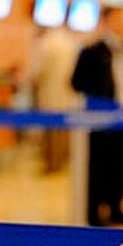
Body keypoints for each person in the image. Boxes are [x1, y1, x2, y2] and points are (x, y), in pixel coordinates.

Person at [72, 7, 123, 226]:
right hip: (101, 118)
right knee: (98, 165)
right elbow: (77, 82)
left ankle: (116, 206)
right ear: (107, 20)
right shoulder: (91, 50)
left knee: (120, 164)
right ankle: (94, 210)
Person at [30, 27, 79, 173]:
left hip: (50, 92)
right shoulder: (71, 43)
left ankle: (52, 163)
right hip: (68, 93)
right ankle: (62, 159)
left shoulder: (46, 44)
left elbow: (38, 71)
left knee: (51, 131)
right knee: (64, 130)